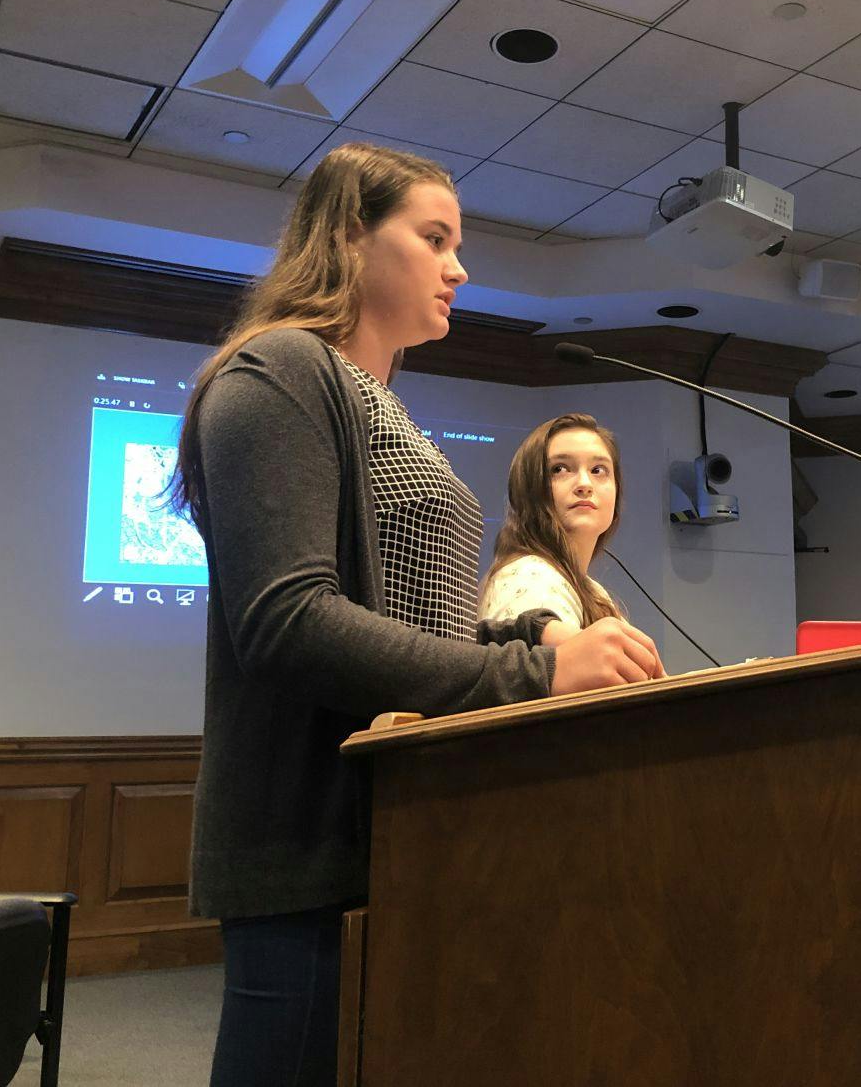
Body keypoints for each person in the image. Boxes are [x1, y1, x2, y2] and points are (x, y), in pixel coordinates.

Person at [170, 142, 665, 1087]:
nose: (459, 266)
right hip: (312, 852)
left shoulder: (379, 402)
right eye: (434, 238)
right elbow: (290, 622)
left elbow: (419, 624)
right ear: (352, 235)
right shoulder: (279, 371)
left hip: (403, 835)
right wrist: (533, 673)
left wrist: (532, 638)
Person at [480, 413, 629, 644]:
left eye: (598, 470)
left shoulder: (594, 591)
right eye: (560, 469)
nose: (584, 484)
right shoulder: (529, 576)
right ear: (527, 489)